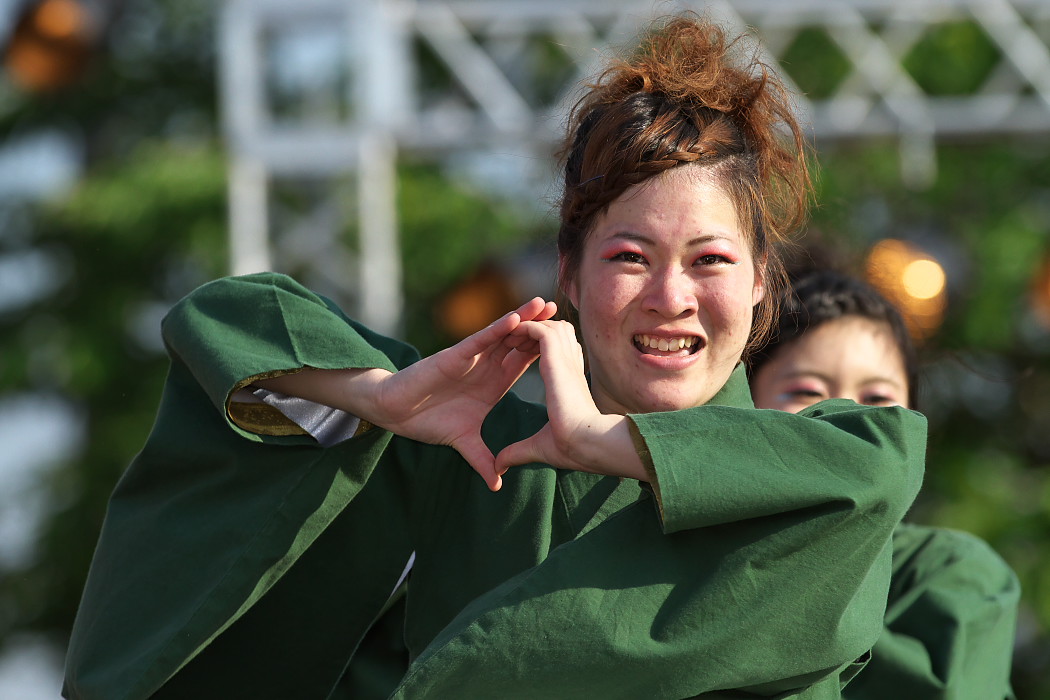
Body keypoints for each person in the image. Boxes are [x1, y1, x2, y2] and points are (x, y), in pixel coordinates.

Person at [63, 15, 927, 700]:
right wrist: (380, 395)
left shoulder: (813, 480)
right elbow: (227, 322)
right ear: (569, 277)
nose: (671, 297)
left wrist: (597, 442)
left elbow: (882, 461)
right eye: (629, 257)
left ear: (763, 284)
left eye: (710, 260)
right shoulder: (482, 441)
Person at [748, 269, 1021, 700]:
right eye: (807, 390)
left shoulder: (953, 572)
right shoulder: (695, 552)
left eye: (877, 399)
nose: (847, 415)